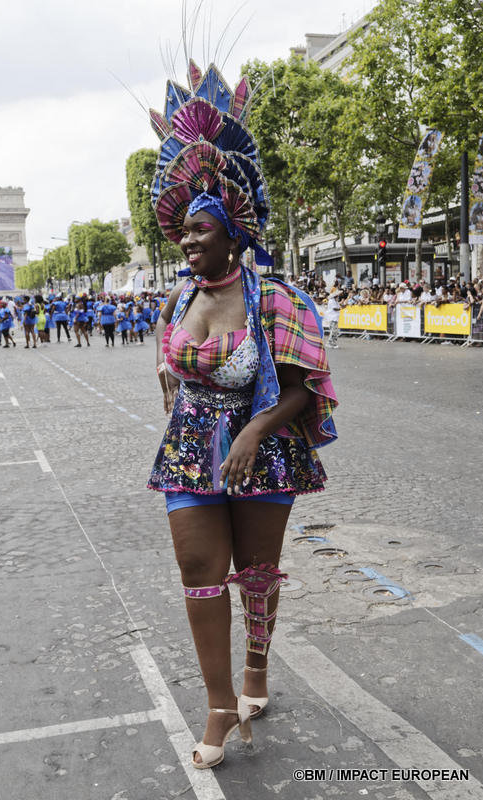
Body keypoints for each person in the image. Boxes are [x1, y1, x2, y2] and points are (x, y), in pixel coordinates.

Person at [146, 57, 338, 769]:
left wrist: (255, 428)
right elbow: (167, 362)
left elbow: (305, 388)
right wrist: (173, 393)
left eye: (201, 230)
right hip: (190, 452)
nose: (188, 241)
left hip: (263, 450)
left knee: (257, 572)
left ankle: (257, 665)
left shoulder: (277, 299)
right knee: (198, 571)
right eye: (183, 232)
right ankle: (219, 704)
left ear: (234, 234)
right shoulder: (177, 300)